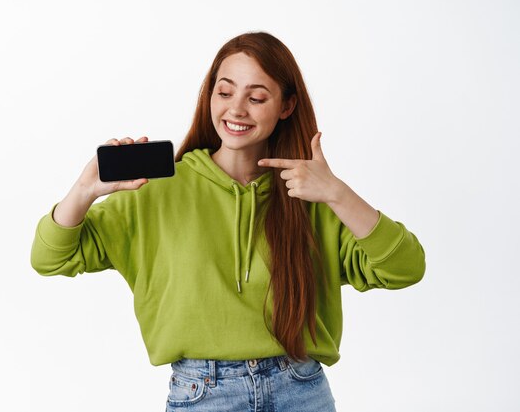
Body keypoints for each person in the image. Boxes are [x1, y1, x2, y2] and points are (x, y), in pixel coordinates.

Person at [30, 31, 425, 412]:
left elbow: (405, 267)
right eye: (224, 91)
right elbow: (50, 259)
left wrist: (337, 192)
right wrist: (84, 189)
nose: (236, 109)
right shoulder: (154, 190)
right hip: (203, 394)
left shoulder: (311, 195)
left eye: (256, 97)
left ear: (286, 106)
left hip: (301, 390)